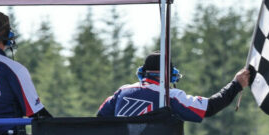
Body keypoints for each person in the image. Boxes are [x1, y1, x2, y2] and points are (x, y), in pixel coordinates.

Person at [97, 52, 253, 120]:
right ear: (170, 75)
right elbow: (210, 107)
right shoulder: (169, 96)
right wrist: (236, 84)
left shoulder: (121, 91)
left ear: (142, 72)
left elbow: (100, 118)